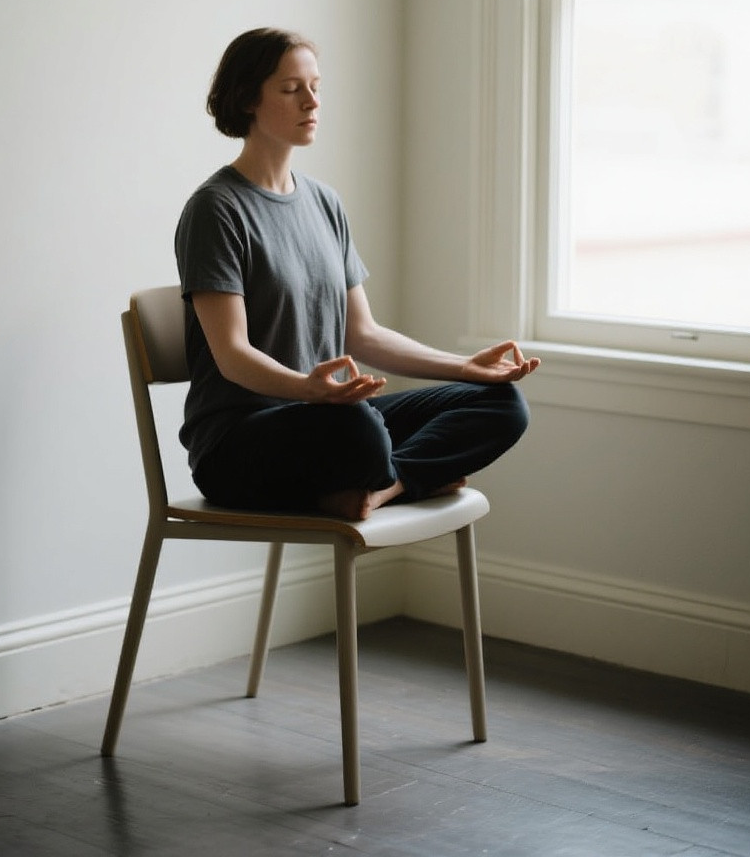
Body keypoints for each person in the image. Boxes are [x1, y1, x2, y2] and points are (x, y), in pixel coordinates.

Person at [174, 28, 537, 522]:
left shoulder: (325, 202)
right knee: (359, 428)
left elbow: (360, 333)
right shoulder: (215, 210)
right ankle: (407, 475)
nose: (311, 102)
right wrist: (310, 389)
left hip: (326, 418)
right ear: (247, 99)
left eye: (316, 87)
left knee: (501, 405)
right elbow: (233, 357)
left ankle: (383, 488)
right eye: (290, 89)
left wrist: (464, 367)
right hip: (239, 442)